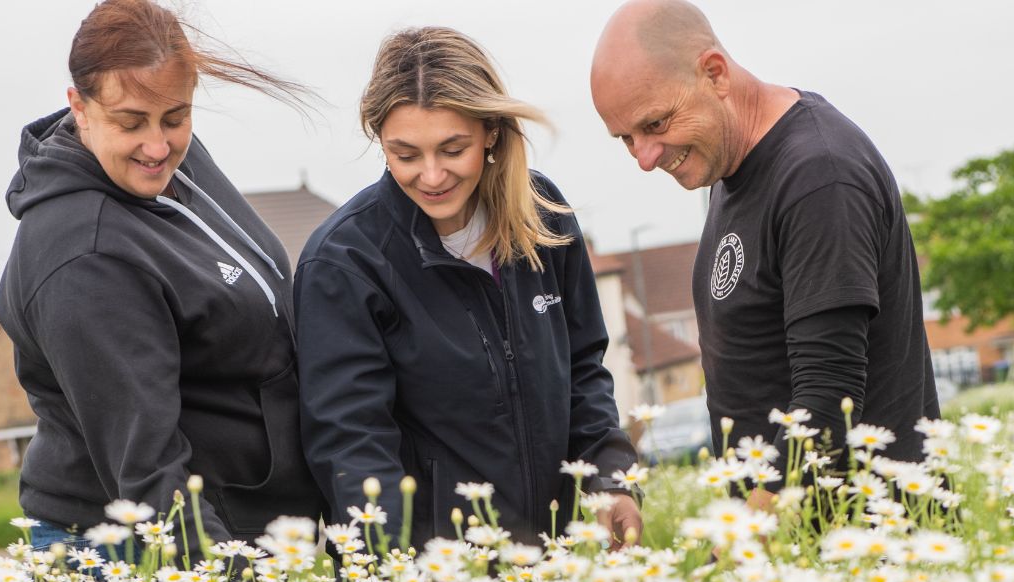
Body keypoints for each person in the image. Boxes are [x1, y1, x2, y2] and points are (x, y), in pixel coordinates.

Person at [0, 0, 323, 556]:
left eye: (176, 117)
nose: (157, 146)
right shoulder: (87, 255)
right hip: (135, 548)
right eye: (130, 123)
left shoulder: (173, 164)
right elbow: (148, 471)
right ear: (78, 106)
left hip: (242, 524)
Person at [296, 27, 640, 548]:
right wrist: (390, 566)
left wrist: (610, 478)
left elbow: (583, 369)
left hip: (559, 558)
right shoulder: (344, 262)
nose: (431, 176)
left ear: (491, 133)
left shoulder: (543, 215)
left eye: (452, 149)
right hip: (435, 578)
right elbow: (351, 441)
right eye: (405, 154)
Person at [590, 0, 940, 490]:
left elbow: (826, 402)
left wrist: (740, 542)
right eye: (625, 138)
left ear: (714, 74)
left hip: (864, 540)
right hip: (786, 542)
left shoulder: (818, 174)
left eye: (656, 124)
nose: (644, 158)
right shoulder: (728, 168)